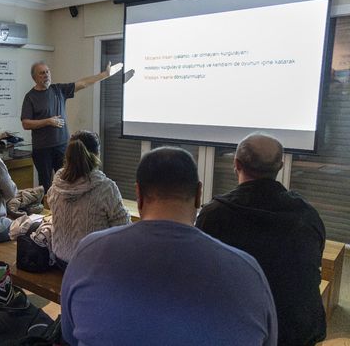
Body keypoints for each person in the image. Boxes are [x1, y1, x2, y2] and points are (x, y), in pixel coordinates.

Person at [61, 147, 277, 346]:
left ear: (138, 194)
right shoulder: (248, 271)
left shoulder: (88, 253)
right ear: (199, 194)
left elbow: (69, 335)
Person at [196, 132, 326, 345]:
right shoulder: (307, 215)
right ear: (281, 166)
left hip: (239, 331)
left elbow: (201, 275)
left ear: (236, 164)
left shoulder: (214, 215)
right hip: (298, 331)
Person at [21, 61, 123, 192]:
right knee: (46, 185)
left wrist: (105, 74)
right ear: (35, 77)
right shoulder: (30, 97)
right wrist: (48, 121)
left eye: (47, 71)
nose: (46, 75)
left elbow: (83, 83)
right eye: (42, 73)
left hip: (62, 146)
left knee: (67, 182)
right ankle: (48, 211)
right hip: (42, 149)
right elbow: (26, 123)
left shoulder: (58, 90)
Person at [46, 130, 130, 269]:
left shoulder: (56, 185)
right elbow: (124, 228)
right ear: (97, 154)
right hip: (92, 265)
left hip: (61, 260)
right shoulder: (106, 187)